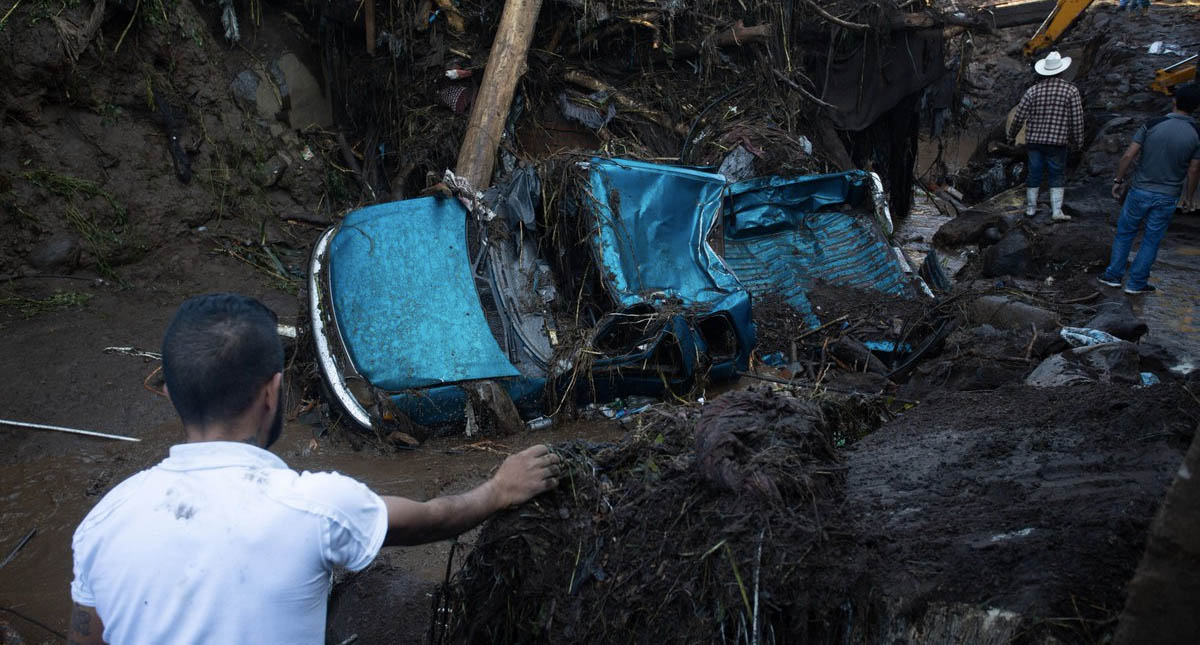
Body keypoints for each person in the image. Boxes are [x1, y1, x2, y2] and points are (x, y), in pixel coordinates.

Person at [67, 293, 562, 644]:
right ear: (272, 392)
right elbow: (432, 519)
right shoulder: (314, 507)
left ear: (170, 394)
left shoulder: (103, 522)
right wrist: (499, 489)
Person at [1099, 84, 1200, 295]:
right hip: (1168, 196)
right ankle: (1136, 284)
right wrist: (1189, 197)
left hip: (1140, 190)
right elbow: (1193, 170)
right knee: (1152, 240)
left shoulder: (1152, 124)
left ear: (1174, 101)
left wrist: (1118, 180)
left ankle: (1113, 276)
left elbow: (1128, 155)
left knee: (1125, 233)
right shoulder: (1197, 133)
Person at [1007, 51, 1086, 222]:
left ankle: (1031, 208)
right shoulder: (1071, 91)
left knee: (1034, 172)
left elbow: (1019, 116)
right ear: (1061, 71)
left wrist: (1011, 135)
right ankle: (1056, 211)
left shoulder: (1033, 91)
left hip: (1034, 141)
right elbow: (1077, 119)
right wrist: (1078, 142)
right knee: (1056, 174)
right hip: (1058, 142)